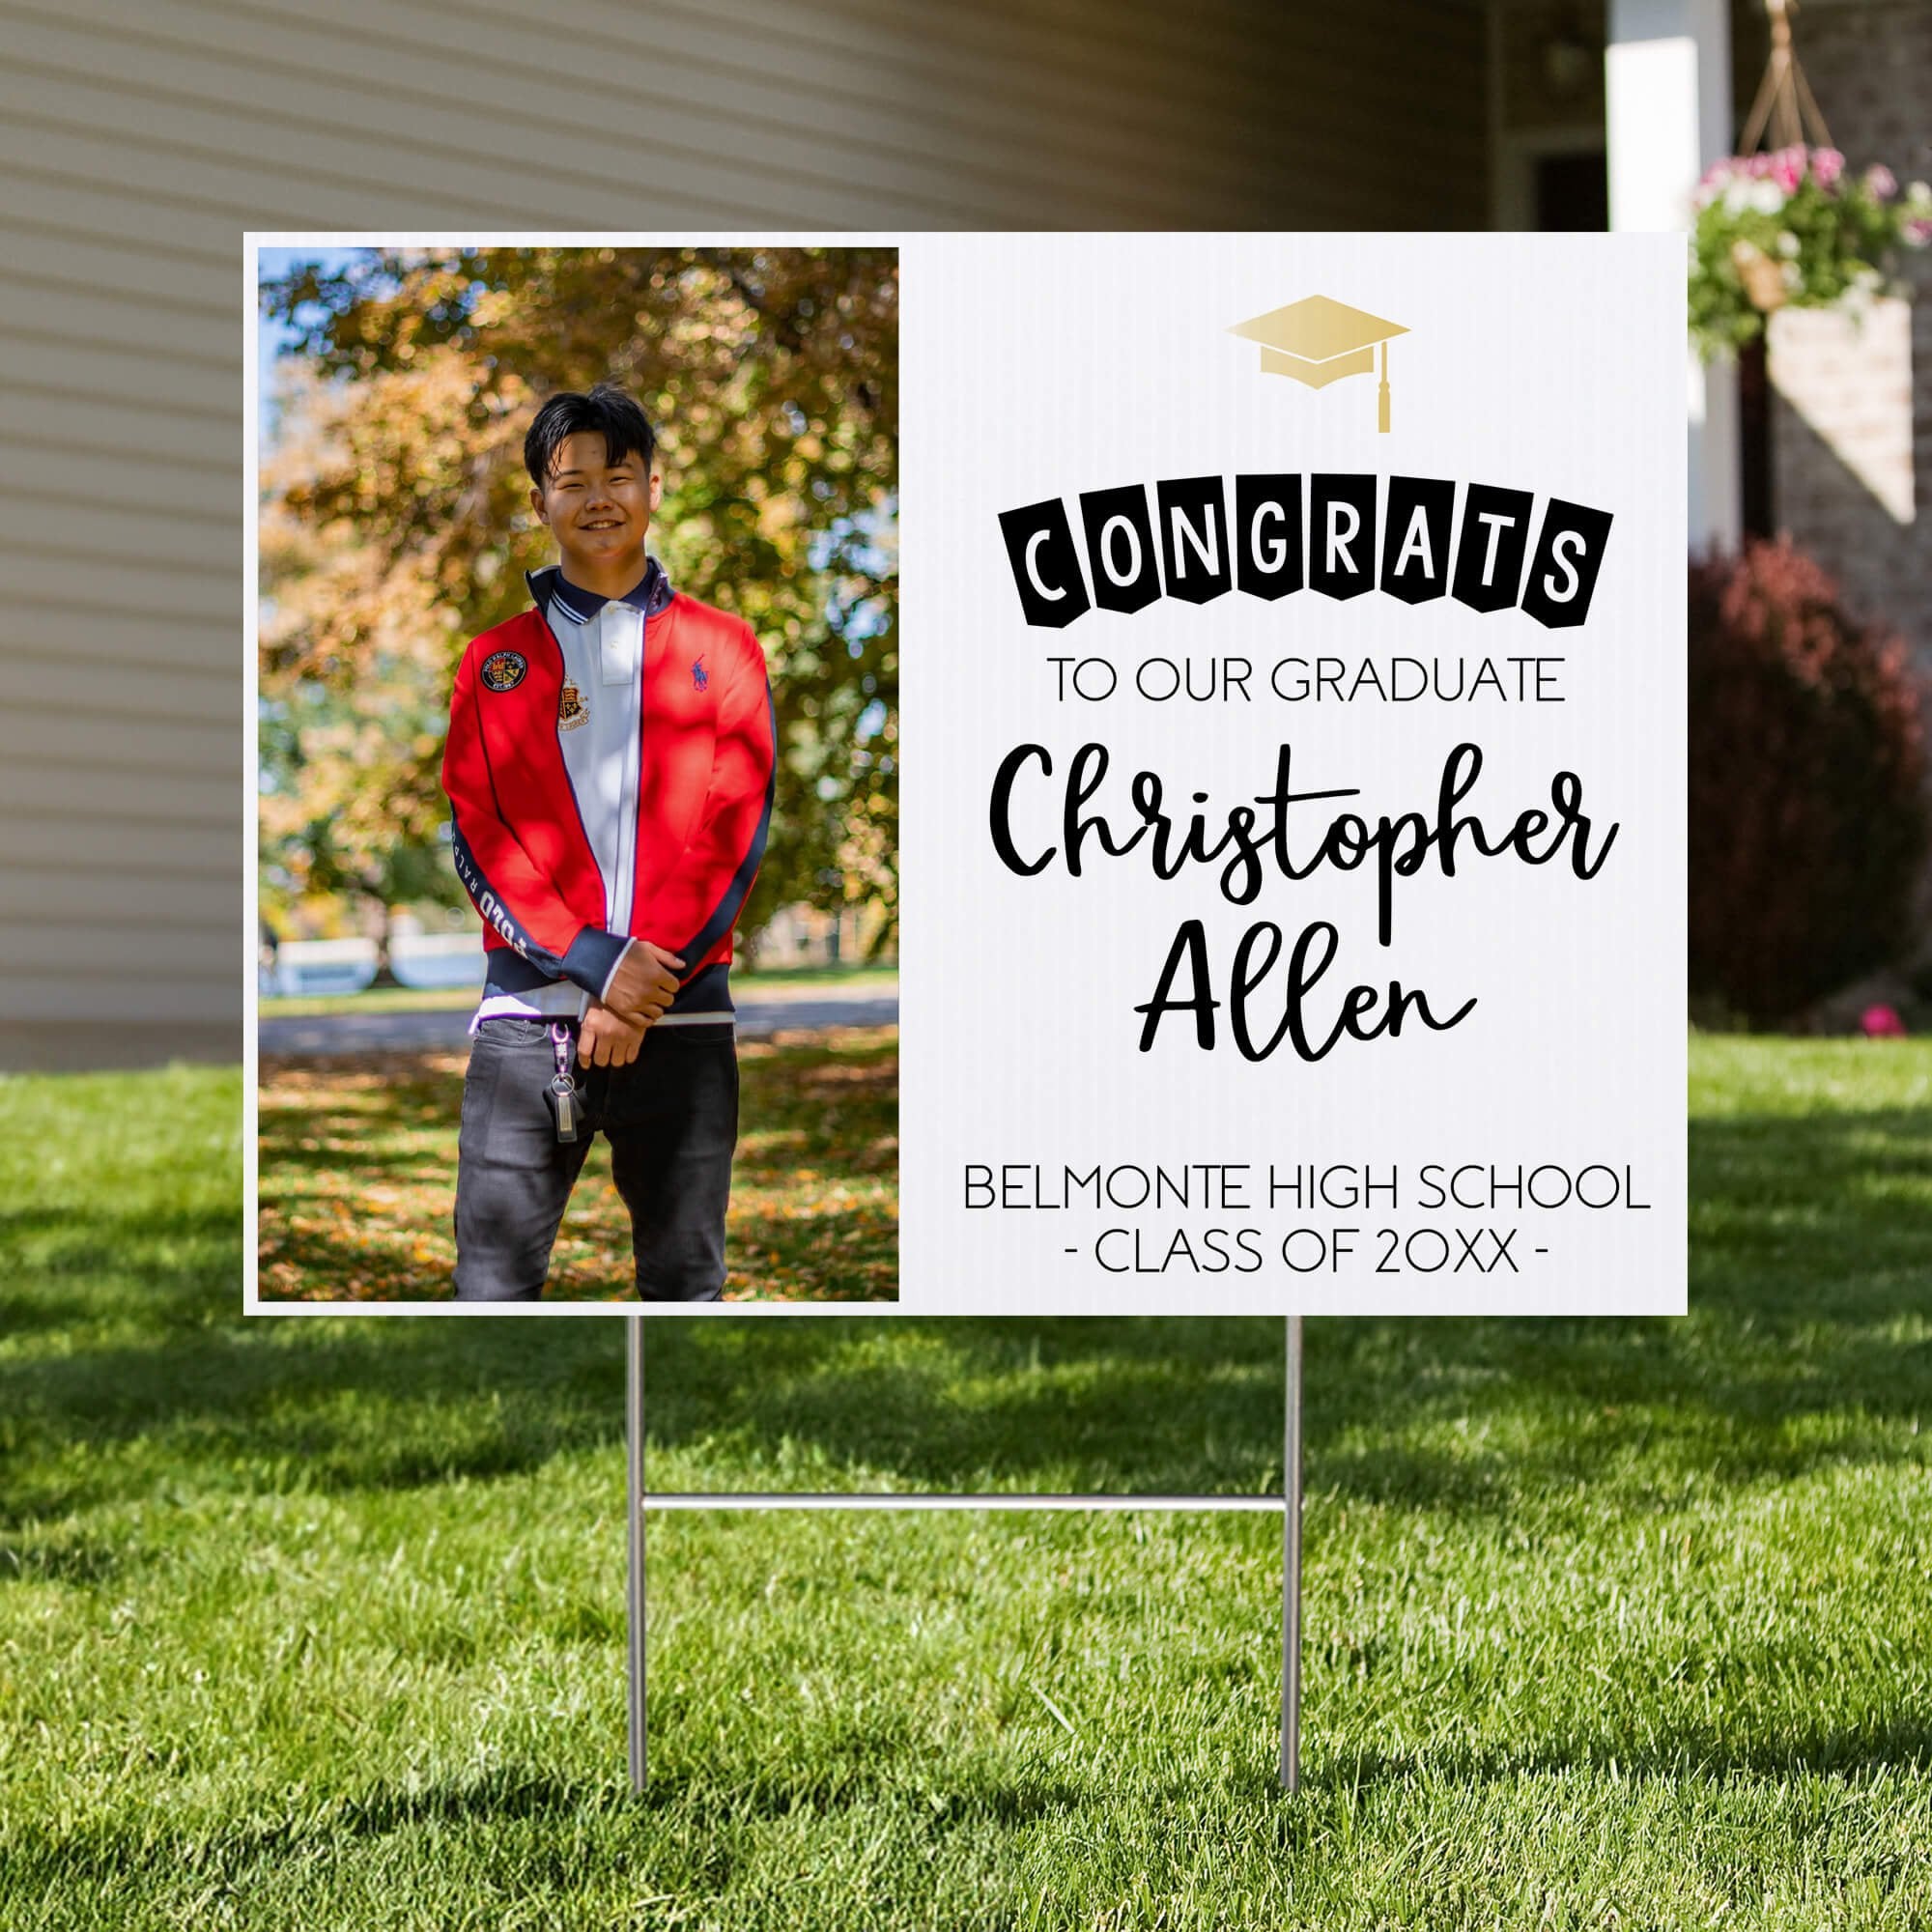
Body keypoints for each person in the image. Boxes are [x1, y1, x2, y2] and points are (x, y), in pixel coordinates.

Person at [440, 384, 776, 1301]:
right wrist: (593, 963)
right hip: (525, 1028)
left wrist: (635, 993)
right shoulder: (493, 661)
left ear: (655, 487)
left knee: (686, 1283)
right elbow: (482, 831)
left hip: (683, 1019)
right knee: (491, 1291)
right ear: (540, 501)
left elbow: (734, 827)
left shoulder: (727, 646)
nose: (597, 498)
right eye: (571, 480)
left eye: (617, 476)